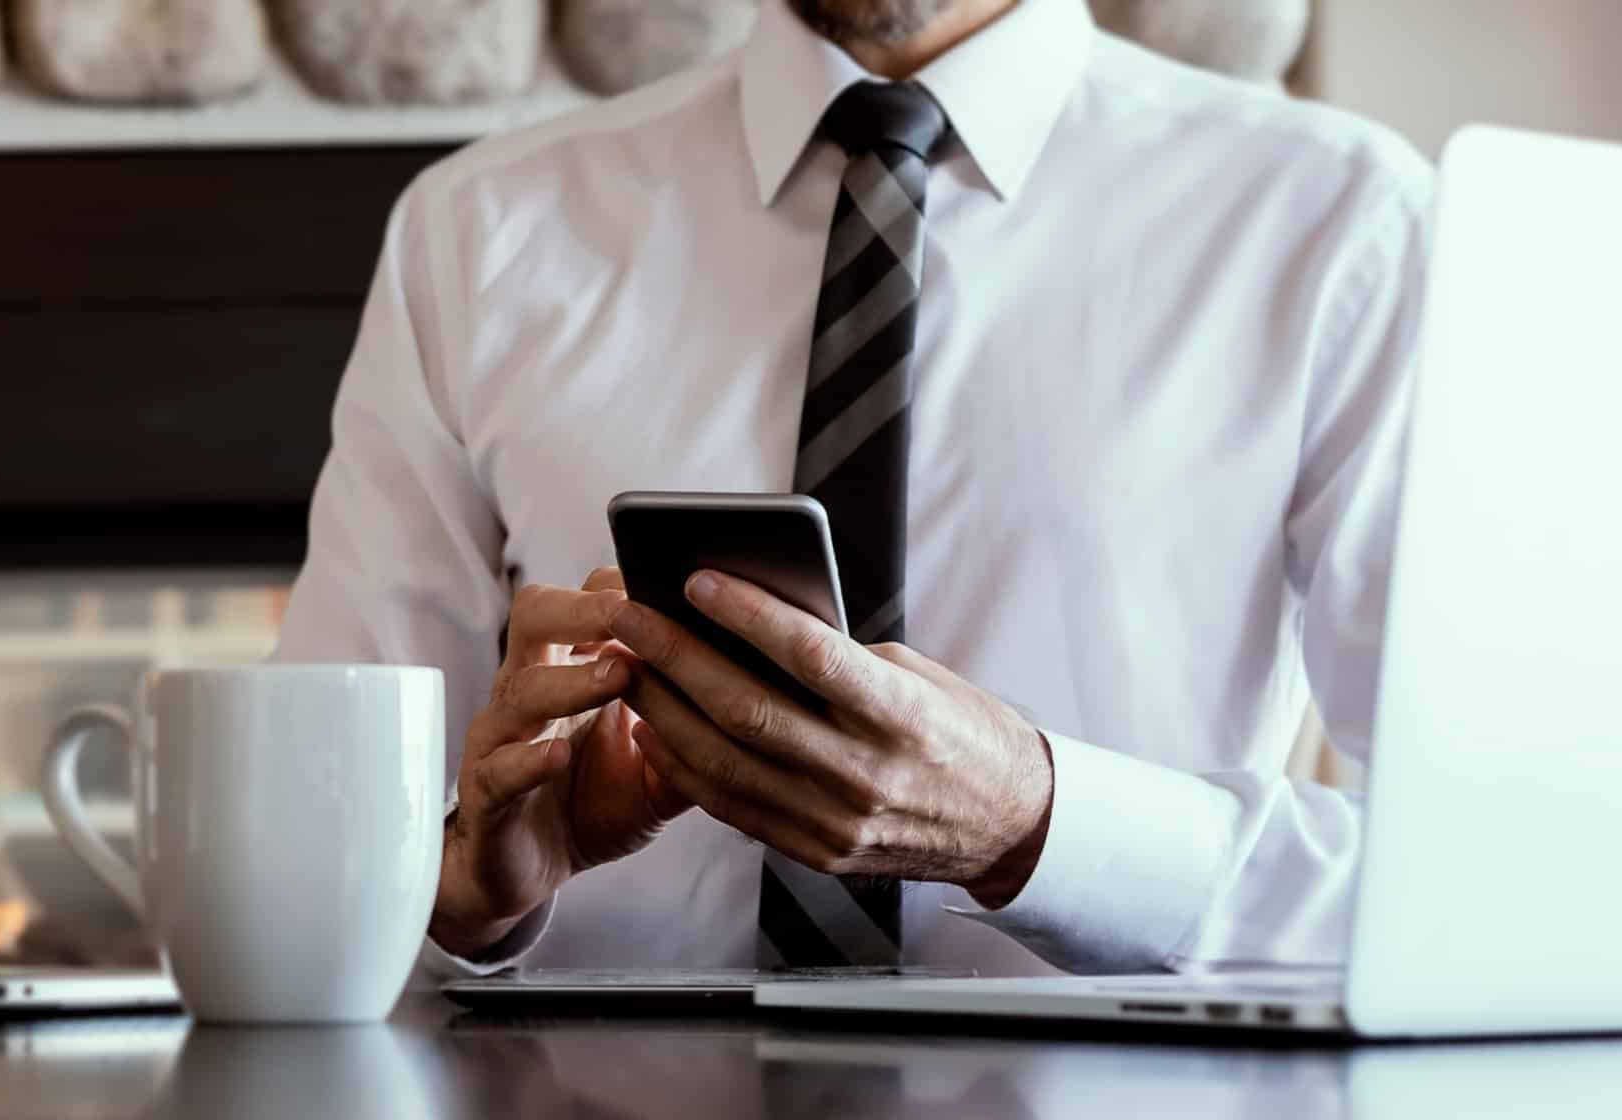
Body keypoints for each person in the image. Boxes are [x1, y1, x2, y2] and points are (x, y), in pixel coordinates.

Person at [274, 0, 1433, 979]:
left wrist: (1035, 826)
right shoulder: (476, 231)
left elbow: (1495, 881)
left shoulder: (1340, 221)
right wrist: (462, 899)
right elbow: (302, 866)